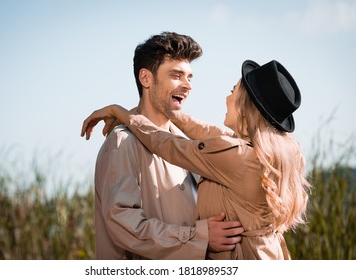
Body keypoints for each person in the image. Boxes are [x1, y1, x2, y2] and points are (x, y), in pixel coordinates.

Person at [81, 59, 312, 259]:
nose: (226, 97)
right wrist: (168, 109)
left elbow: (169, 146)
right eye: (176, 75)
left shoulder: (238, 157)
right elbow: (210, 133)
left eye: (233, 92)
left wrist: (120, 112)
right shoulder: (266, 153)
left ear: (245, 106)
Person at [83, 31, 243, 260]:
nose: (187, 86)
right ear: (146, 78)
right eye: (177, 75)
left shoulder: (184, 142)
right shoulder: (122, 143)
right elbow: (124, 224)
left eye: (190, 77)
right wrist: (200, 237)